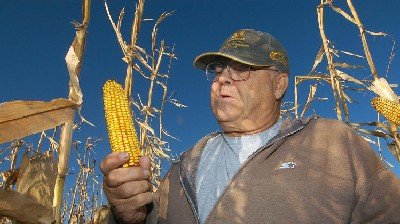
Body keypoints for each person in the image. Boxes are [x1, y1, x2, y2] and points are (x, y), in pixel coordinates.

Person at [100, 29, 400, 223]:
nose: (221, 79)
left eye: (240, 69)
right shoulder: (182, 167)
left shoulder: (334, 143)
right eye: (218, 71)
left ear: (279, 85)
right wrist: (126, 215)